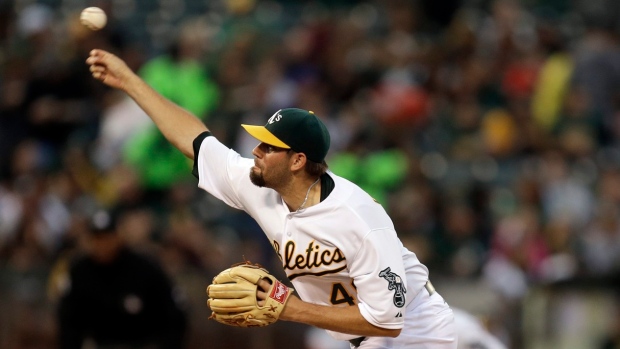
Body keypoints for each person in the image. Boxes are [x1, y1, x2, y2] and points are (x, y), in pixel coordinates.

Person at [86, 49, 457, 348]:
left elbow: (388, 322)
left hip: (418, 333)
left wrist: (289, 308)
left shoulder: (356, 217)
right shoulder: (260, 187)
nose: (257, 150)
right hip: (366, 340)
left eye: (270, 145)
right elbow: (196, 141)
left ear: (297, 161)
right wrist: (131, 84)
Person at [56, 208, 187, 349]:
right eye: (98, 238)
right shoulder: (79, 271)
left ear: (118, 236)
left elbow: (174, 313)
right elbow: (67, 320)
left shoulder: (145, 268)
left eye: (107, 237)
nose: (103, 244)